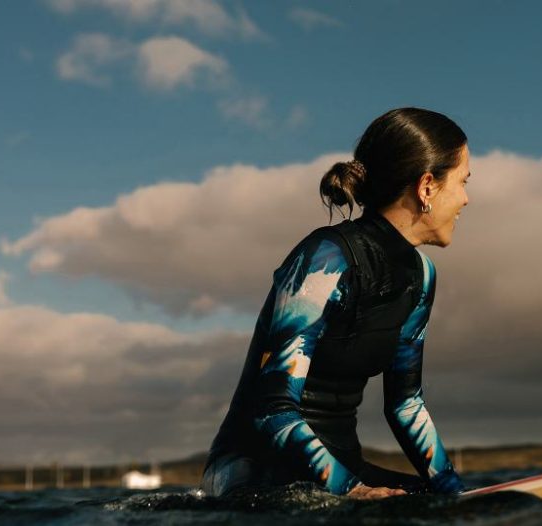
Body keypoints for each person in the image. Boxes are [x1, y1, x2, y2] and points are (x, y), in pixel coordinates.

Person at [201, 107, 471, 500]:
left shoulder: (421, 277)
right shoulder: (325, 260)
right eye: (463, 181)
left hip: (340, 468)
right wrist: (353, 491)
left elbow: (406, 405)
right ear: (427, 186)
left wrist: (456, 496)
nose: (466, 198)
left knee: (430, 501)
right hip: (252, 470)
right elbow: (272, 407)